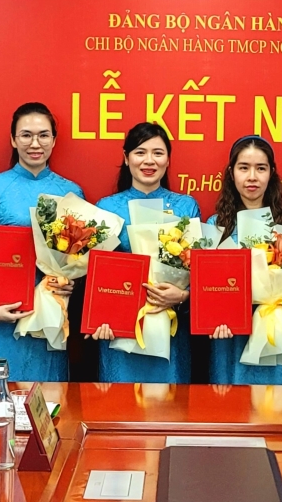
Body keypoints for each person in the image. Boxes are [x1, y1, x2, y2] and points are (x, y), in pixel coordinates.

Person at [0, 102, 83, 382]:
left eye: (43, 135)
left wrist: (70, 282)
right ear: (13, 139)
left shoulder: (70, 191)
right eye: (26, 135)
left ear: (54, 140)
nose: (35, 143)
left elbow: (77, 253)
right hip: (1, 312)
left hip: (49, 309)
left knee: (47, 395)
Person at [93, 122, 201, 383]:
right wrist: (99, 317)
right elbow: (96, 273)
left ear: (168, 159)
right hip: (119, 328)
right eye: (140, 152)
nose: (149, 161)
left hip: (170, 324)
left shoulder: (186, 206)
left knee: (169, 403)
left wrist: (182, 296)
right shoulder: (106, 208)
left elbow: (200, 270)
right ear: (126, 158)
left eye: (158, 153)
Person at [207, 135, 282, 385]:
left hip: (273, 333)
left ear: (272, 173)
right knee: (227, 402)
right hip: (228, 335)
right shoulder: (215, 226)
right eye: (244, 168)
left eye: (261, 168)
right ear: (231, 173)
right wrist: (213, 316)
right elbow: (205, 286)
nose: (252, 177)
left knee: (274, 405)